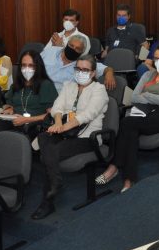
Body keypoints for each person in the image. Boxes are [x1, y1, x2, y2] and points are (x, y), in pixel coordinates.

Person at [95, 44, 159, 192]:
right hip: (142, 113)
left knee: (127, 123)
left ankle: (114, 167)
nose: (158, 61)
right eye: (156, 58)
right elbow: (134, 97)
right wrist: (150, 98)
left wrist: (147, 95)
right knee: (131, 129)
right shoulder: (148, 75)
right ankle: (129, 178)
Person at [32, 55, 109, 219]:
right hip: (65, 132)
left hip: (88, 138)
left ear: (93, 73)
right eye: (78, 69)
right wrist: (58, 122)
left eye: (85, 70)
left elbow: (87, 115)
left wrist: (62, 128)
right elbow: (57, 107)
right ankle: (56, 181)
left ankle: (47, 201)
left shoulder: (99, 90)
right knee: (43, 138)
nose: (80, 72)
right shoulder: (69, 86)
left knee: (50, 150)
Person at [0, 49, 57, 140]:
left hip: (33, 126)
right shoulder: (17, 84)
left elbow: (51, 115)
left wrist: (26, 120)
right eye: (24, 65)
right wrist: (9, 108)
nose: (27, 69)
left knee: (6, 136)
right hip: (13, 121)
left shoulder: (45, 85)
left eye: (31, 65)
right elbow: (8, 102)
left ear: (38, 67)